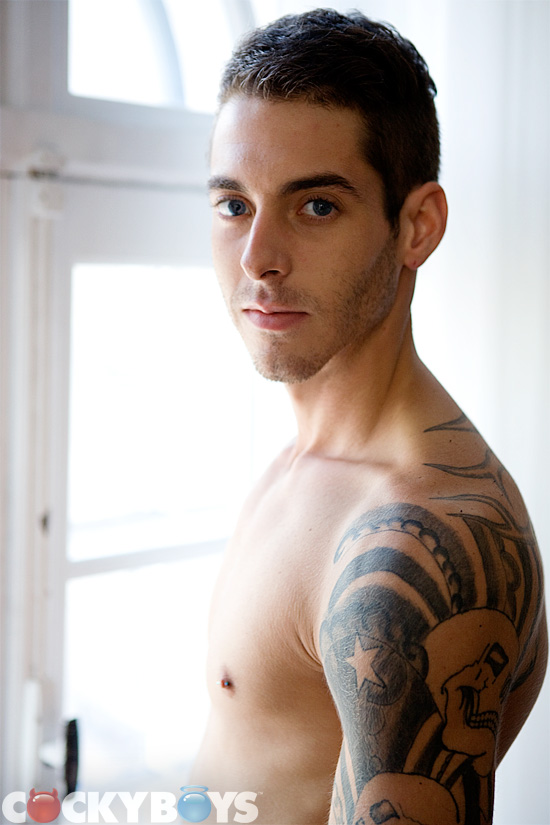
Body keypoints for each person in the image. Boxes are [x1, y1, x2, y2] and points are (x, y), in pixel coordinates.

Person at [190, 9, 547, 824]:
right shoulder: (310, 457)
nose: (258, 258)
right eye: (234, 204)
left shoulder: (418, 536)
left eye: (316, 206)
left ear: (417, 226)